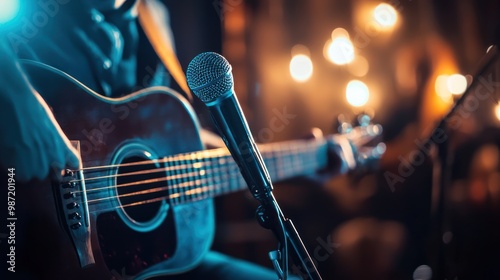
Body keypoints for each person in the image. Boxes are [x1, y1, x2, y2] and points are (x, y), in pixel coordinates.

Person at [1, 0, 346, 279]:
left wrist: (294, 162)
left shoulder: (153, 16)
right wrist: (17, 99)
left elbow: (178, 139)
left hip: (135, 262)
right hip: (26, 255)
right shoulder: (24, 9)